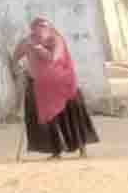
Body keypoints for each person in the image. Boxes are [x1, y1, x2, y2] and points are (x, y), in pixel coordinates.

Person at [10, 17, 100, 159]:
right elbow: (15, 57)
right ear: (32, 29)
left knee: (72, 116)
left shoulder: (56, 40)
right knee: (48, 120)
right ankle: (55, 151)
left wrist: (38, 48)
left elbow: (53, 58)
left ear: (49, 28)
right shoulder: (26, 42)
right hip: (40, 87)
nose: (40, 31)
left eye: (43, 27)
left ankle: (82, 149)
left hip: (63, 85)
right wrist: (20, 69)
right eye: (37, 28)